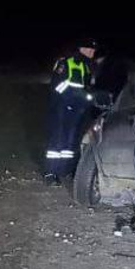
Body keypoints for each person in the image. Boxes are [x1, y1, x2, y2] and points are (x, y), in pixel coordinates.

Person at [44, 39, 98, 182]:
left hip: (78, 109)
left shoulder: (87, 66)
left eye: (93, 50)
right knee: (58, 141)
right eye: (89, 49)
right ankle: (51, 173)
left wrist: (88, 99)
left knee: (71, 141)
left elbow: (86, 88)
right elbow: (57, 86)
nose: (92, 52)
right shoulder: (65, 63)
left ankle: (64, 170)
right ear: (81, 49)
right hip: (61, 108)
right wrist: (76, 96)